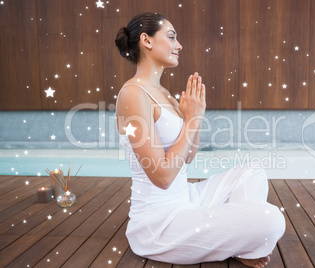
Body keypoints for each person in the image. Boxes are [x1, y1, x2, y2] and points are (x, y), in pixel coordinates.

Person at [114, 12, 285, 268]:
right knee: (272, 219)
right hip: (160, 223)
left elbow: (188, 157)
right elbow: (162, 177)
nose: (179, 45)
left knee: (253, 172)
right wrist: (191, 120)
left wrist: (197, 116)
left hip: (188, 199)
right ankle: (241, 238)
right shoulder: (132, 94)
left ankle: (235, 238)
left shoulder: (164, 94)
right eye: (171, 37)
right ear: (146, 41)